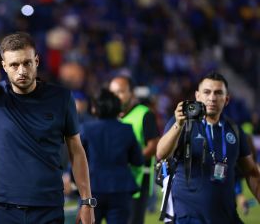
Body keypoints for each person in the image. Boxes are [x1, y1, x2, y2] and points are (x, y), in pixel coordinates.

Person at [0, 0, 94, 224]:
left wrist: (87, 201)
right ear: (4, 66)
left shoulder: (61, 98)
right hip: (3, 208)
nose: (22, 70)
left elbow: (76, 151)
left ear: (36, 61)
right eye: (14, 65)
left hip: (48, 207)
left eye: (27, 63)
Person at [156, 72, 260, 224]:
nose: (212, 98)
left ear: (227, 99)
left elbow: (251, 172)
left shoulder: (234, 130)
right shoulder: (183, 123)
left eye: (218, 93)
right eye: (207, 92)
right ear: (197, 96)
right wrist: (178, 124)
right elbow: (161, 153)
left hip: (227, 217)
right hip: (188, 218)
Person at [81, 88, 143, 224]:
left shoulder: (86, 129)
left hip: (93, 188)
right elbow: (138, 161)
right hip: (120, 188)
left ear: (95, 108)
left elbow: (78, 161)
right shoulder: (127, 129)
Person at [109, 75, 160, 224]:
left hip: (137, 182)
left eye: (120, 92)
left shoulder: (144, 113)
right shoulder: (111, 116)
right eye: (113, 93)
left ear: (131, 93)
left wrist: (131, 159)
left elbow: (154, 145)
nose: (116, 97)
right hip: (113, 181)